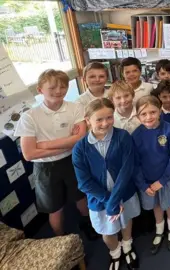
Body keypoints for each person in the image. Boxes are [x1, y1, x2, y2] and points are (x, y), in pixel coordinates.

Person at [14, 69, 96, 239]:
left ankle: (89, 224)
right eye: (52, 88)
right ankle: (60, 238)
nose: (58, 91)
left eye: (63, 87)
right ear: (40, 90)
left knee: (81, 197)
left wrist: (43, 145)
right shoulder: (29, 117)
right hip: (46, 167)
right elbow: (29, 154)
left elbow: (80, 139)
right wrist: (68, 143)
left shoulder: (75, 107)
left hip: (73, 161)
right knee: (54, 208)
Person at [72, 98, 141, 270]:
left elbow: (126, 171)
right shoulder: (80, 148)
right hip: (99, 200)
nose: (105, 123)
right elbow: (84, 182)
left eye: (109, 117)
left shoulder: (123, 137)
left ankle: (127, 245)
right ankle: (115, 253)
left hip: (124, 193)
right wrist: (109, 202)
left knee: (126, 222)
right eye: (99, 119)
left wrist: (115, 199)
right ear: (88, 120)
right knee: (107, 231)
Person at [132, 96, 170, 253]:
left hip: (167, 177)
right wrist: (143, 184)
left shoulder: (169, 129)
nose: (149, 117)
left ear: (160, 111)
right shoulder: (136, 135)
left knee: (169, 203)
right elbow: (135, 163)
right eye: (143, 114)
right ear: (137, 116)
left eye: (152, 112)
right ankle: (160, 229)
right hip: (147, 179)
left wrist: (163, 180)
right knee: (156, 204)